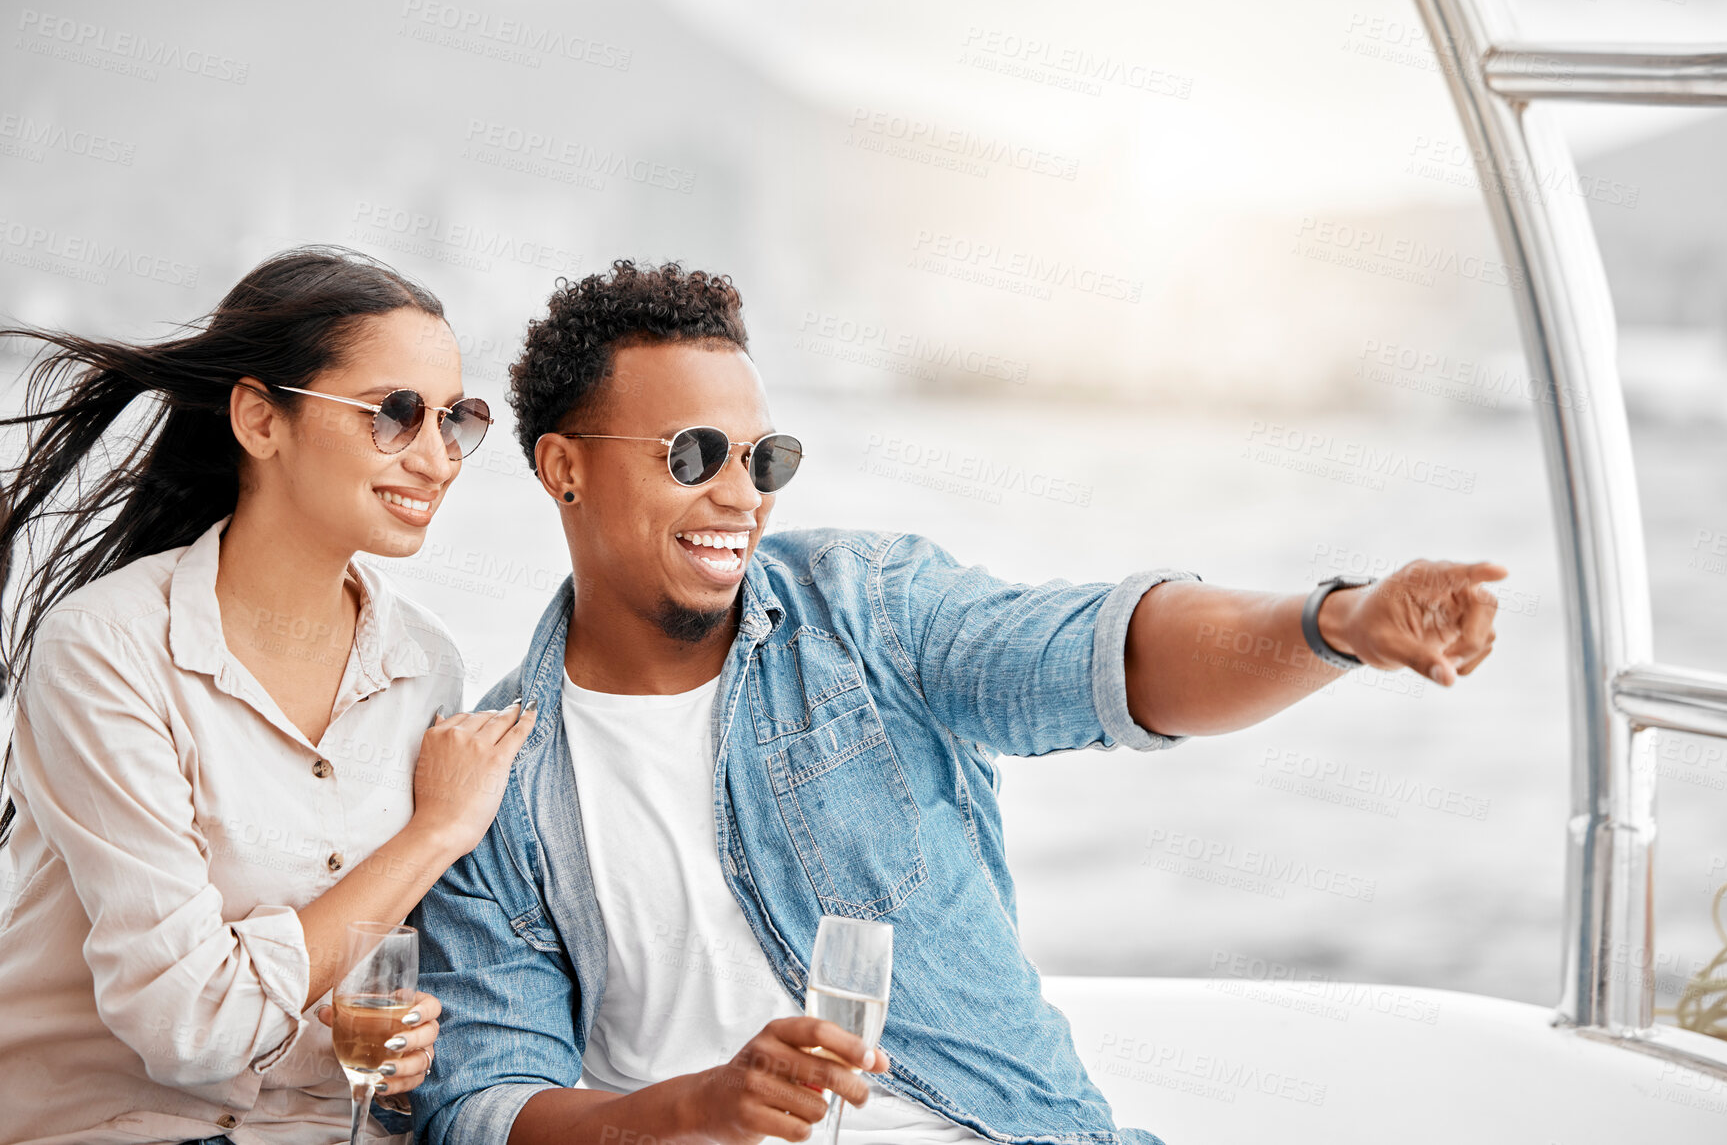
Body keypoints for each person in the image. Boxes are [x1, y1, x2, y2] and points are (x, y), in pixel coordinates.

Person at [408, 260, 1506, 1145]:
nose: (740, 494)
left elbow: (1096, 655)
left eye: (764, 456)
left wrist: (1334, 625)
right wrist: (692, 1109)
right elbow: (485, 1105)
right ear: (564, 469)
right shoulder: (490, 779)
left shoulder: (863, 608)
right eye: (692, 456)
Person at [0, 247, 535, 1145]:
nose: (438, 458)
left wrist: (402, 1044)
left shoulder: (427, 667)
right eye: (396, 413)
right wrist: (433, 832)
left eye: (456, 420)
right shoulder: (107, 652)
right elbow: (188, 1024)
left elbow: (380, 975)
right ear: (259, 418)